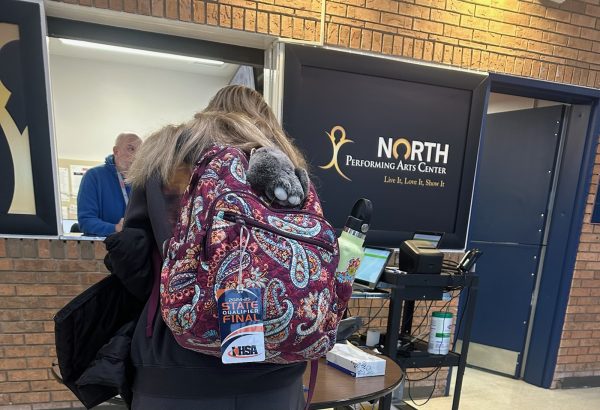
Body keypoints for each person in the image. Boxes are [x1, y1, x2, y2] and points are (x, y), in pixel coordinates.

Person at [111, 86, 309, 410]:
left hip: (173, 368)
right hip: (276, 370)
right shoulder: (286, 170)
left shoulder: (165, 161)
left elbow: (135, 266)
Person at [77, 132, 141, 236]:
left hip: (137, 245)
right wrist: (115, 228)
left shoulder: (141, 180)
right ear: (116, 151)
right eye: (131, 149)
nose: (136, 156)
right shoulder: (94, 176)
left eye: (140, 152)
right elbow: (86, 222)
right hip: (105, 247)